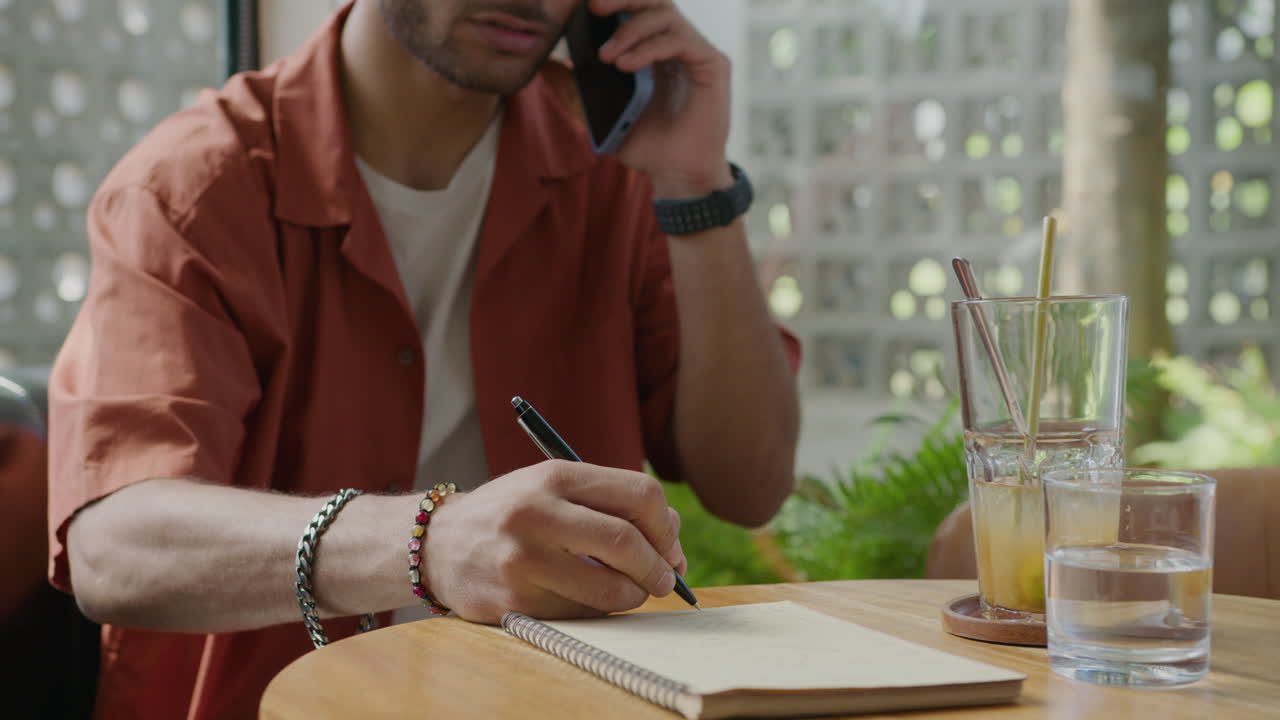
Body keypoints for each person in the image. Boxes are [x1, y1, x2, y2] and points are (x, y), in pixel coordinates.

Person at [47, 0, 799, 717]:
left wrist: (694, 183)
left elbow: (751, 485)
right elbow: (114, 548)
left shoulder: (614, 168)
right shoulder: (193, 188)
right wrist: (428, 542)